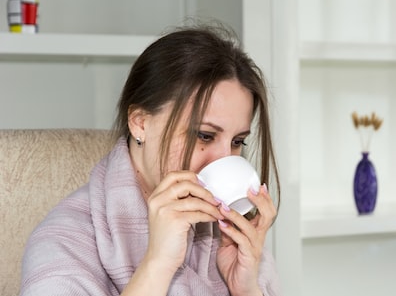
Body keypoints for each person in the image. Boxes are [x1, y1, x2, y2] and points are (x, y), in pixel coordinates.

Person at [20, 23, 281, 296]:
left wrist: (246, 290)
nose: (224, 158)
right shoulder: (66, 241)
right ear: (140, 123)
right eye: (204, 135)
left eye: (237, 141)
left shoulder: (231, 238)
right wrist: (157, 265)